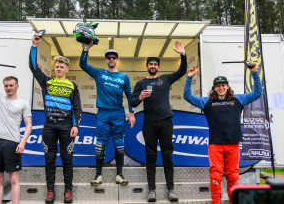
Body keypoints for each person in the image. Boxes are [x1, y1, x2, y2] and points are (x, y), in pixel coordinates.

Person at [183, 63, 263, 204]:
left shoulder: (238, 99)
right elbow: (187, 96)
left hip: (233, 145)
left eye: (223, 85)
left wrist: (255, 72)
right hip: (215, 146)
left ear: (227, 87)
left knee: (233, 177)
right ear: (214, 88)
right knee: (215, 177)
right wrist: (189, 77)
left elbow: (258, 92)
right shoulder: (206, 101)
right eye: (218, 86)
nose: (221, 88)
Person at [130, 40, 187, 202]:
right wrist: (140, 96)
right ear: (147, 66)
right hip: (149, 123)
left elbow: (182, 71)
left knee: (167, 155)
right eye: (150, 64)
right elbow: (133, 102)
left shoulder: (165, 79)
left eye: (155, 64)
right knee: (151, 155)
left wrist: (183, 55)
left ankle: (171, 190)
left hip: (166, 121)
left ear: (158, 67)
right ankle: (152, 190)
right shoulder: (141, 83)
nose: (153, 66)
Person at [30, 33, 82, 203]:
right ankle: (50, 191)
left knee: (67, 159)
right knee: (49, 159)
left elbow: (77, 107)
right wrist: (34, 45)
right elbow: (33, 66)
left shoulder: (73, 86)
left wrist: (76, 126)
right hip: (49, 127)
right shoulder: (47, 82)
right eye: (57, 67)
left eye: (61, 67)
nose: (58, 69)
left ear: (67, 69)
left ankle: (68, 191)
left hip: (67, 126)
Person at [0, 50, 32, 204]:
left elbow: (29, 125)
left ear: (17, 86)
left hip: (13, 143)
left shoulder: (23, 103)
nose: (8, 88)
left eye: (11, 85)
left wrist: (22, 142)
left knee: (14, 179)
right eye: (6, 86)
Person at [79, 41, 135, 186]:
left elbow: (129, 95)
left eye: (113, 57)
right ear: (105, 60)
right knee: (100, 145)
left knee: (119, 146)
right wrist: (86, 48)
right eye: (109, 57)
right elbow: (83, 65)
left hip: (118, 114)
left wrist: (132, 112)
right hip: (103, 113)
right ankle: (98, 175)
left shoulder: (124, 76)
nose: (111, 59)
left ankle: (119, 175)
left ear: (117, 60)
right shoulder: (99, 73)